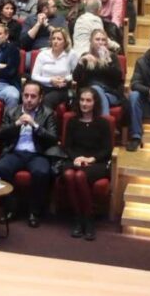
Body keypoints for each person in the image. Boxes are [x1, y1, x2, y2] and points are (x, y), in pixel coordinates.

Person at [0, 82, 62, 228]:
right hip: (15, 151)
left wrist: (35, 125)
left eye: (33, 96)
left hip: (38, 153)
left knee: (41, 172)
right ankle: (11, 209)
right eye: (26, 96)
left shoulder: (48, 113)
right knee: (1, 168)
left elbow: (53, 139)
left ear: (40, 98)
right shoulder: (12, 111)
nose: (29, 99)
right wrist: (16, 124)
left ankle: (34, 212)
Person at [61, 87, 113, 240]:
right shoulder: (72, 121)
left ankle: (88, 219)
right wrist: (77, 158)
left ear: (94, 103)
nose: (84, 103)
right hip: (75, 160)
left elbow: (107, 149)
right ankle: (78, 218)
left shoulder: (103, 123)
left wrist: (91, 159)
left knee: (80, 176)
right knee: (69, 174)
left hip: (97, 163)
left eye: (88, 100)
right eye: (82, 100)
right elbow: (68, 147)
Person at [73, 29, 125, 117]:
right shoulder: (86, 57)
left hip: (110, 94)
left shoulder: (112, 57)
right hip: (88, 96)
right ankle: (105, 123)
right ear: (91, 41)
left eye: (103, 40)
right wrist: (80, 62)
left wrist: (108, 60)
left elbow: (118, 78)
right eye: (97, 39)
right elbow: (76, 78)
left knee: (97, 91)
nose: (100, 42)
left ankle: (103, 123)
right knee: (96, 91)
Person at [30, 28, 77, 110]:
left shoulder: (71, 54)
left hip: (61, 89)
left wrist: (65, 79)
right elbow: (34, 76)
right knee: (30, 96)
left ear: (65, 42)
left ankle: (45, 122)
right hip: (43, 87)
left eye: (59, 39)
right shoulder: (43, 54)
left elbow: (77, 73)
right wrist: (50, 80)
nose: (55, 41)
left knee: (47, 100)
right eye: (53, 38)